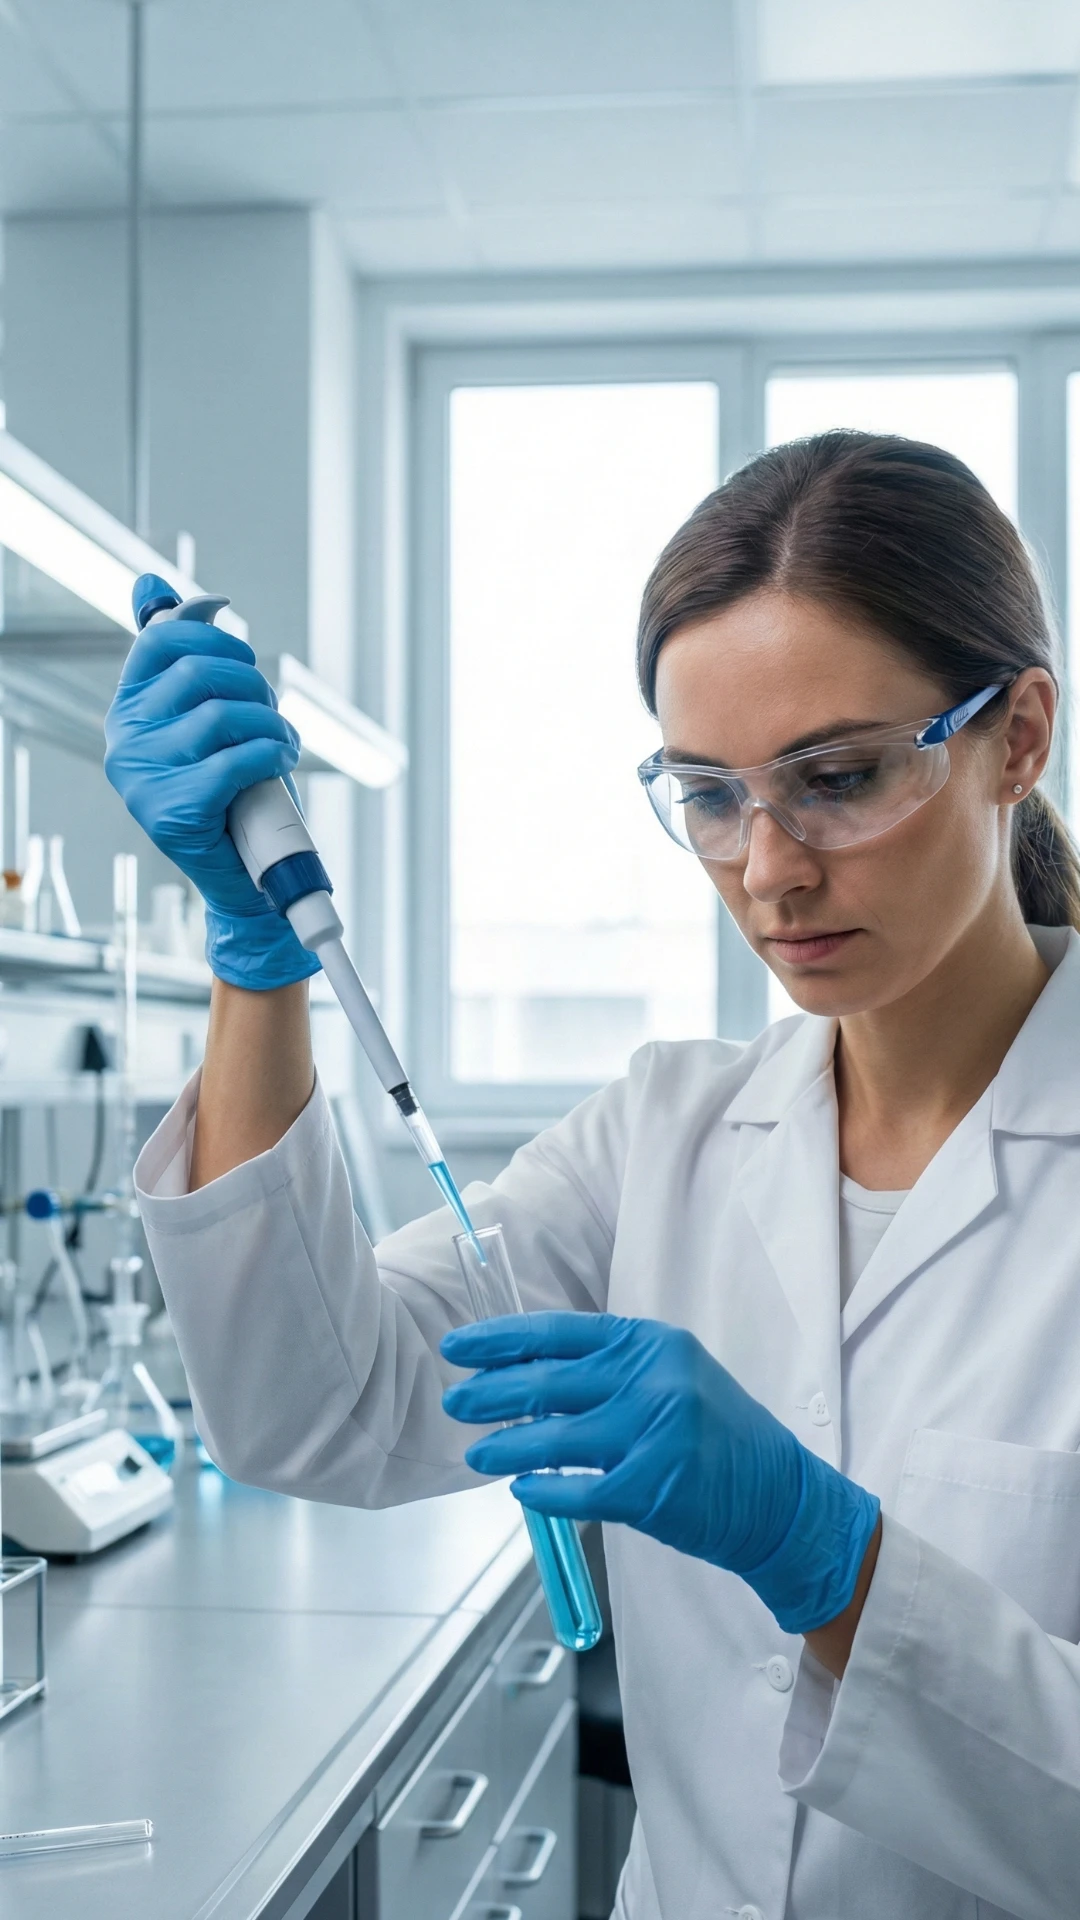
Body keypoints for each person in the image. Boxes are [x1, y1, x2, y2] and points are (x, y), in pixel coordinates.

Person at [105, 431, 1080, 1920]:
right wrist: (256, 964)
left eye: (838, 777)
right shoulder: (662, 1137)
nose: (769, 868)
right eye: (709, 792)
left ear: (1018, 737)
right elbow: (321, 1410)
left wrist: (829, 1557)